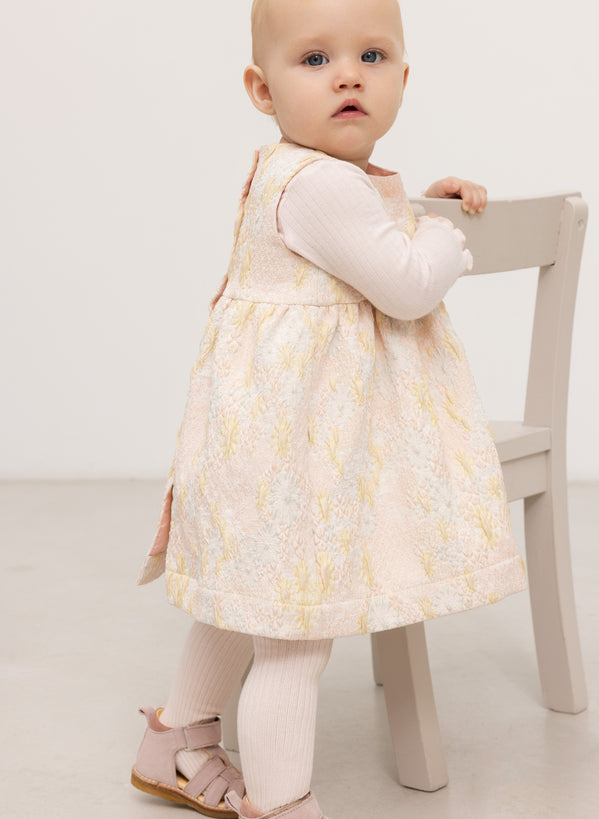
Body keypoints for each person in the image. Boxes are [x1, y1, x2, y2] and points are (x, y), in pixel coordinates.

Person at [131, 1, 527, 817]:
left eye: (371, 56)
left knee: (250, 596)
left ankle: (177, 738)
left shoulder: (314, 176)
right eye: (314, 60)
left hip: (277, 438)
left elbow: (359, 241)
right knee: (294, 635)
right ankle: (282, 803)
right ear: (262, 89)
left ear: (403, 78)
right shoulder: (315, 185)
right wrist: (442, 240)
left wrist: (415, 208)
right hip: (292, 449)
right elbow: (406, 286)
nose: (348, 75)